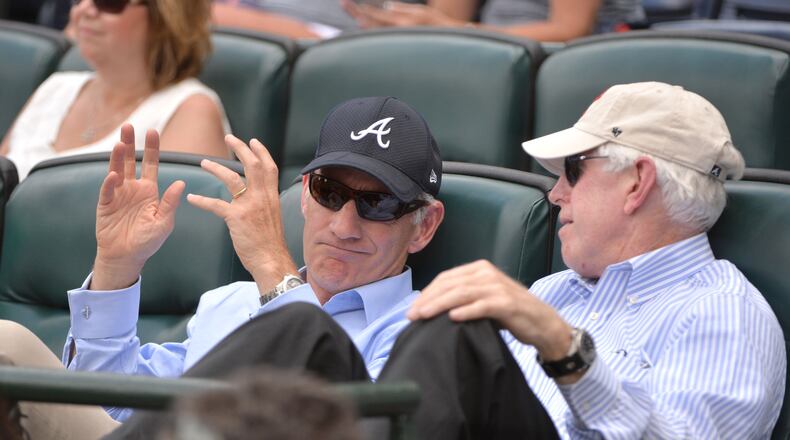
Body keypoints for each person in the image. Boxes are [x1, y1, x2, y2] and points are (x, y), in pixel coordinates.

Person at [0, 96, 444, 439]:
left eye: (378, 204)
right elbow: (113, 410)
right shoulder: (231, 301)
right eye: (330, 192)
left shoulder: (428, 331)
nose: (345, 226)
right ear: (305, 195)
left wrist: (272, 266)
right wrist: (116, 267)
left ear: (424, 226)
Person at [386, 81, 785, 438]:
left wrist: (564, 348)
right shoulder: (553, 291)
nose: (555, 194)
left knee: (453, 333)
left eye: (572, 172)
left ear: (637, 183)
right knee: (321, 329)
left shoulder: (724, 311)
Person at [0, 0, 230, 180]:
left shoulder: (192, 109)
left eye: (108, 2)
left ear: (166, 15)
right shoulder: (56, 87)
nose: (84, 11)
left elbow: (181, 231)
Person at [157, 366, 362, 440]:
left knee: (304, 319)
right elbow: (137, 377)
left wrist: (281, 288)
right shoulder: (227, 299)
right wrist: (124, 281)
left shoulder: (393, 323)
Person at [343, 0, 645, 42]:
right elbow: (444, 22)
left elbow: (570, 29)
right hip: (491, 45)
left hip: (565, 57)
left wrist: (450, 30)